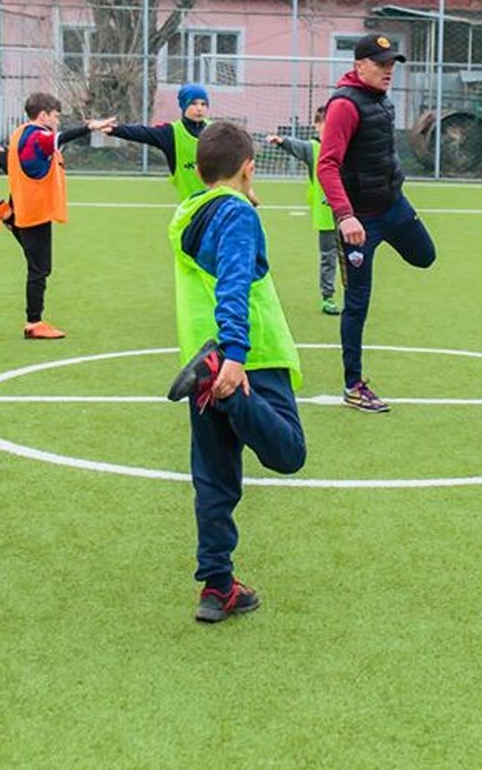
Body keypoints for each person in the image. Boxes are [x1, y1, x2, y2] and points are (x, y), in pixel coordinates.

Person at [164, 122, 307, 623]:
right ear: (249, 168)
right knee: (289, 452)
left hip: (202, 361)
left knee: (214, 478)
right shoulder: (236, 214)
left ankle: (217, 587)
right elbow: (234, 280)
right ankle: (234, 395)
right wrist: (235, 355)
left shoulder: (189, 212)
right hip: (245, 359)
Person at [317, 37, 437, 411]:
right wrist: (345, 215)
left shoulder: (381, 101)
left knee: (425, 256)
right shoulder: (344, 105)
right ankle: (353, 386)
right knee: (357, 303)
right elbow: (327, 165)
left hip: (393, 207)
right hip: (360, 222)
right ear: (359, 65)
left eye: (392, 64)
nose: (388, 71)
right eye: (381, 64)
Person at [0, 92, 112, 339]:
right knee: (40, 268)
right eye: (56, 115)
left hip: (23, 204)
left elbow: (9, 160)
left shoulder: (20, 133)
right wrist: (90, 127)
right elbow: (57, 139)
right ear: (44, 115)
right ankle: (33, 323)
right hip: (35, 210)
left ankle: (8, 214)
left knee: (35, 259)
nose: (57, 120)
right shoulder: (39, 137)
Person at [266, 105, 343, 315]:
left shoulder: (346, 146)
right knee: (328, 255)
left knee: (354, 254)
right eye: (326, 123)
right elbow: (297, 146)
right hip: (326, 213)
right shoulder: (313, 148)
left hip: (349, 212)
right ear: (317, 125)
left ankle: (354, 293)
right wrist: (282, 141)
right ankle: (328, 296)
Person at [106, 83, 211, 200]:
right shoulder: (171, 133)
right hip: (191, 206)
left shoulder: (215, 131)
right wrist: (114, 129)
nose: (199, 108)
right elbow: (143, 132)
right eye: (193, 103)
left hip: (218, 205)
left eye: (203, 104)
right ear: (184, 105)